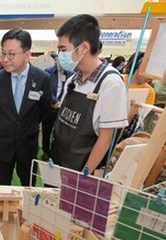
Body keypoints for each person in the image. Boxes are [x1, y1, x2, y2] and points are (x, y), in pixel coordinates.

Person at [49, 14, 128, 173]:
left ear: (84, 48)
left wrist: (85, 174)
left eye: (63, 49)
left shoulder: (110, 83)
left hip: (81, 171)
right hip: (57, 162)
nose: (60, 55)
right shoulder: (73, 79)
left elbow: (106, 139)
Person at [0, 28, 51, 186]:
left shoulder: (43, 79)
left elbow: (44, 110)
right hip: (3, 143)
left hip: (28, 144)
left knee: (28, 185)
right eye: (3, 53)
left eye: (12, 54)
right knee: (1, 186)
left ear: (27, 55)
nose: (6, 59)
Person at [42, 53, 73, 161]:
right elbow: (45, 90)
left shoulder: (70, 74)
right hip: (50, 107)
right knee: (47, 130)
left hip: (63, 108)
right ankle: (45, 151)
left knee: (59, 132)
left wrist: (63, 103)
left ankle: (55, 152)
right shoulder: (48, 72)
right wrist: (54, 101)